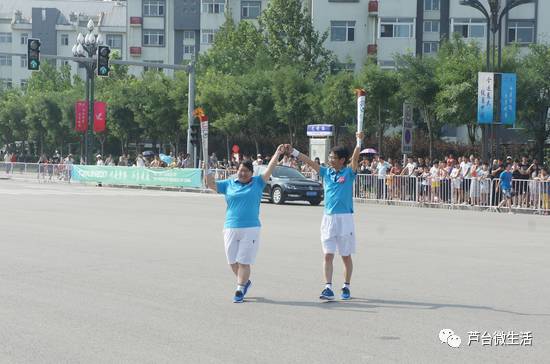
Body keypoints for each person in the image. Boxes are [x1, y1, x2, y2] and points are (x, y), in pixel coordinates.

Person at [286, 132, 363, 301]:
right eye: (329, 156)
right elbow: (309, 162)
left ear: (342, 160)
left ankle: (346, 286)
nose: (330, 159)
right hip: (328, 218)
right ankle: (328, 287)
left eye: (333, 157)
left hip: (345, 219)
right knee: (328, 254)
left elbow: (356, 158)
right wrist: (294, 152)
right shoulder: (327, 173)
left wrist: (359, 141)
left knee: (345, 256)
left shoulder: (349, 173)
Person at [205, 145, 285, 303]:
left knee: (244, 261)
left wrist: (277, 153)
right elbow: (211, 185)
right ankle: (245, 281)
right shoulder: (229, 183)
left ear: (251, 173)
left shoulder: (258, 182)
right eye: (240, 170)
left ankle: (240, 289)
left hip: (251, 227)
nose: (242, 173)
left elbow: (270, 168)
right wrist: (207, 171)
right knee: (232, 261)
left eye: (246, 171)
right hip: (230, 226)